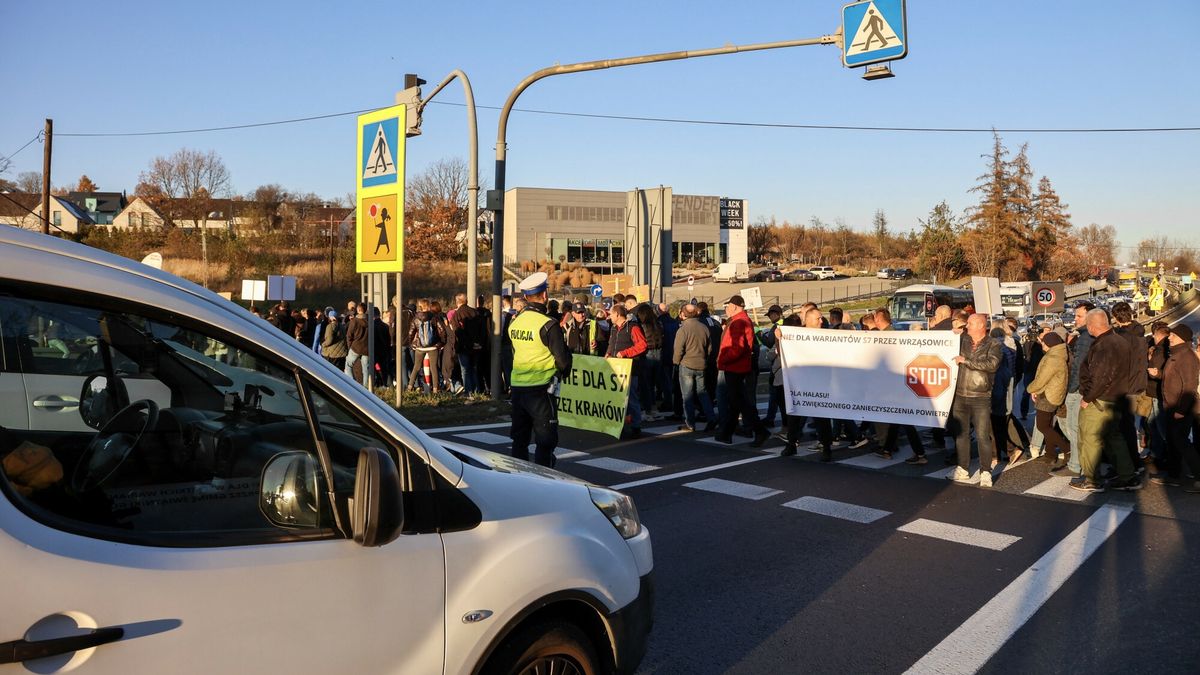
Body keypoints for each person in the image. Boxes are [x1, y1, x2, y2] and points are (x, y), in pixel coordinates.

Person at [508, 272, 572, 467]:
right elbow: (562, 360)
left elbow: (514, 351)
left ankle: (520, 478)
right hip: (541, 390)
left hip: (518, 388)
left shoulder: (515, 322)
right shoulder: (548, 324)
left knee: (520, 439)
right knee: (545, 441)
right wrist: (564, 372)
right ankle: (545, 480)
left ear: (526, 297)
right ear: (544, 296)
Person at [1074, 308, 1139, 493]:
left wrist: (1087, 398)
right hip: (1116, 398)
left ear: (1093, 326)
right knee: (1113, 438)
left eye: (1088, 325)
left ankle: (1092, 479)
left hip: (1099, 401)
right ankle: (1128, 476)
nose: (1088, 328)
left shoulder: (1104, 345)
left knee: (1090, 438)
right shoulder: (1120, 341)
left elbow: (1101, 377)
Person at [947, 314, 1001, 486]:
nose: (967, 326)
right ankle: (962, 468)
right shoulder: (962, 340)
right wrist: (949, 334)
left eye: (970, 323)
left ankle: (986, 471)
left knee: (982, 436)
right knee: (961, 435)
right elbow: (946, 344)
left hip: (981, 396)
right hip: (960, 395)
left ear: (980, 325)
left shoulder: (994, 344)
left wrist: (966, 361)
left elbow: (991, 365)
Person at [715, 295, 770, 447]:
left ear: (734, 306)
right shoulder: (742, 320)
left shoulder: (738, 322)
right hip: (738, 366)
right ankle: (727, 433)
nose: (726, 308)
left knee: (740, 402)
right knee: (736, 402)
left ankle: (760, 431)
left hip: (734, 367)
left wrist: (722, 360)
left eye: (727, 306)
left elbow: (737, 348)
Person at [782, 309, 835, 460]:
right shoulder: (796, 334)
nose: (821, 321)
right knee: (795, 414)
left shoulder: (827, 336)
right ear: (808, 320)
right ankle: (792, 444)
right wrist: (779, 336)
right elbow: (784, 341)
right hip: (800, 382)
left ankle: (826, 447)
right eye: (818, 319)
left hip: (820, 383)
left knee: (821, 418)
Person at [1152, 324, 1200, 492]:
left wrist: (1181, 410)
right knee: (1173, 442)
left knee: (1182, 442)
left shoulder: (1186, 357)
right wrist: (1158, 374)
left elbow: (1190, 387)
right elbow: (1170, 378)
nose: (1169, 337)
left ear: (1181, 338)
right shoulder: (1177, 354)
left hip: (1180, 409)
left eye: (1172, 335)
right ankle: (1173, 476)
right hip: (1172, 408)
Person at [1026, 331, 1071, 474]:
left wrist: (1030, 388)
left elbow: (1042, 378)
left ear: (1050, 344)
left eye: (1044, 342)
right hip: (1050, 393)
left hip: (1048, 395)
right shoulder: (1059, 354)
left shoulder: (1053, 358)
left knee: (1043, 426)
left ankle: (1067, 450)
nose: (1042, 345)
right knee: (1048, 425)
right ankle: (1050, 454)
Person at [1111, 302, 1148, 472]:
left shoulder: (1122, 338)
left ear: (1117, 317)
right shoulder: (1140, 333)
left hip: (1124, 387)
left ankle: (1128, 465)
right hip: (1137, 385)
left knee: (1121, 428)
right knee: (1129, 426)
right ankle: (1134, 462)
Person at [1063, 302, 1096, 477]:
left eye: (1079, 316)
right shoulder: (1088, 336)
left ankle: (1075, 465)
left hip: (1079, 390)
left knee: (1073, 427)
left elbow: (1079, 367)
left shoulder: (1085, 338)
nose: (1074, 319)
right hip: (1087, 389)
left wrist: (1072, 389)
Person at [673, 304, 717, 432]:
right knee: (703, 393)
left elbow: (678, 350)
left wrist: (676, 362)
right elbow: (709, 348)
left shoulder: (683, 329)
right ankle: (711, 418)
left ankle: (690, 423)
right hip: (701, 363)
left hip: (686, 364)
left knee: (687, 396)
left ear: (683, 314)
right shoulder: (704, 327)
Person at [607, 305, 648, 438]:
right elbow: (611, 344)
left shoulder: (633, 327)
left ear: (618, 315)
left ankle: (636, 426)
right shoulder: (614, 328)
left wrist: (625, 353)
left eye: (611, 314)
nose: (609, 317)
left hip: (629, 369)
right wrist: (608, 353)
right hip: (616, 369)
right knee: (618, 398)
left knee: (631, 398)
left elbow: (642, 345)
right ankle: (621, 424)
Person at [406, 299, 447, 393]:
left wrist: (411, 344)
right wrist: (441, 343)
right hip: (433, 347)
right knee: (434, 367)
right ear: (428, 306)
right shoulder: (434, 317)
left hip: (420, 347)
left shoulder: (415, 318)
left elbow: (411, 333)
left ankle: (410, 387)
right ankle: (436, 389)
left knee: (416, 367)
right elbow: (442, 330)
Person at [450, 293, 484, 395]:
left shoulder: (456, 314)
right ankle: (476, 390)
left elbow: (457, 331)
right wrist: (478, 342)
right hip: (476, 346)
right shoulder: (475, 312)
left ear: (457, 302)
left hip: (463, 346)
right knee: (474, 369)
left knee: (465, 370)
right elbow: (481, 329)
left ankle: (468, 391)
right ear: (467, 301)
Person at [343, 304, 370, 387]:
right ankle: (366, 388)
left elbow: (349, 335)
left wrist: (350, 346)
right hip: (366, 349)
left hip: (356, 347)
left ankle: (352, 385)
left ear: (358, 310)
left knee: (348, 365)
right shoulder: (370, 320)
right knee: (366, 370)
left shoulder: (354, 321)